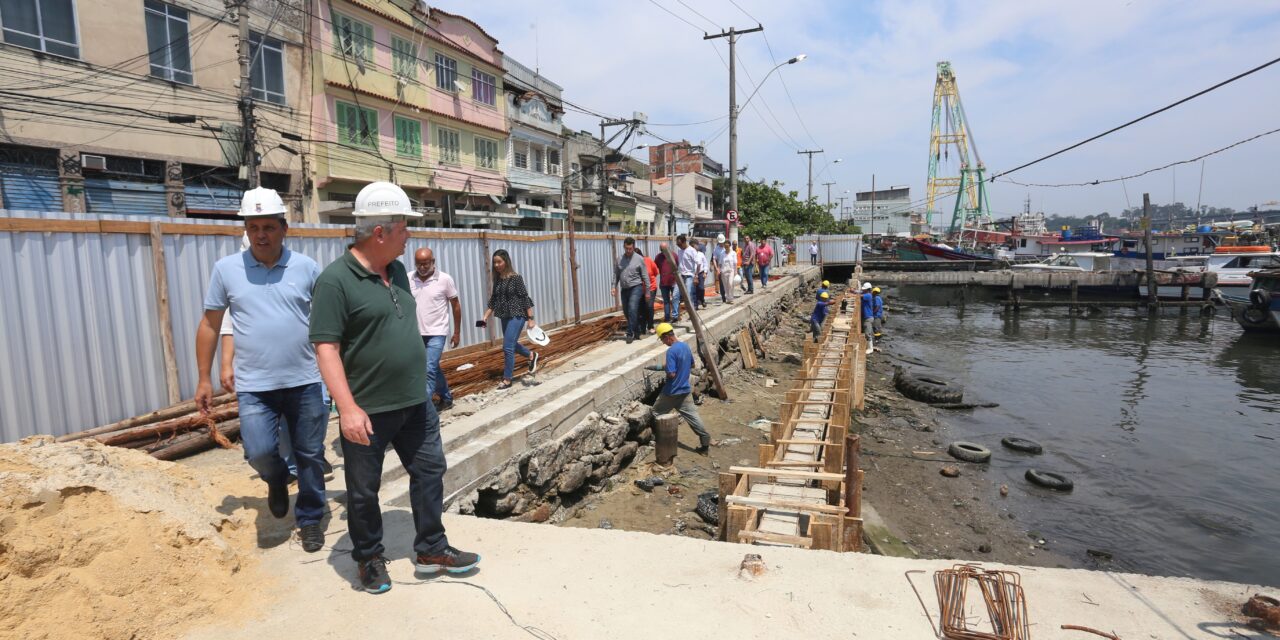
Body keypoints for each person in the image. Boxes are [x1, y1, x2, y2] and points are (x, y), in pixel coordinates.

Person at [310, 181, 479, 594]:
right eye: (404, 228)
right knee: (364, 491)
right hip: (367, 409)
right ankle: (368, 557)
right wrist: (346, 408)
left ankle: (431, 548)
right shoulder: (335, 282)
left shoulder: (398, 270)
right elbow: (326, 348)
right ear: (380, 232)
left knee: (430, 472)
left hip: (414, 402)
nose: (409, 237)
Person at [194, 187, 327, 553]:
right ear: (247, 231)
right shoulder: (226, 270)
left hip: (304, 379)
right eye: (254, 227)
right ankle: (277, 479)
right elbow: (210, 324)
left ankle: (311, 517)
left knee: (311, 453)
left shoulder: (306, 267)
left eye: (269, 226)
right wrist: (205, 377)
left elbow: (330, 319)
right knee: (258, 451)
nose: (261, 234)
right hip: (256, 385)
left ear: (285, 228)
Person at [645, 323, 710, 455]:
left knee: (655, 413)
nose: (663, 343)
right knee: (693, 417)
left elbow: (671, 373)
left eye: (662, 340)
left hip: (671, 392)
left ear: (667, 337)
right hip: (685, 390)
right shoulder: (685, 346)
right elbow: (691, 364)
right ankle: (705, 443)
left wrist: (669, 368)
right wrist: (659, 367)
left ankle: (656, 438)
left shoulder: (671, 351)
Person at [410, 247, 461, 412]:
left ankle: (423, 410)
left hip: (437, 332)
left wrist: (457, 332)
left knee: (428, 368)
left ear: (433, 262)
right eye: (419, 264)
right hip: (416, 333)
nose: (422, 267)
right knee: (433, 368)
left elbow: (456, 306)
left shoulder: (445, 279)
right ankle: (446, 397)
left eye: (426, 263)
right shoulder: (408, 278)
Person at [479, 249, 540, 387]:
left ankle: (507, 379)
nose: (496, 265)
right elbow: (494, 300)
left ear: (506, 261)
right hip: (504, 316)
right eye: (494, 262)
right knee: (511, 344)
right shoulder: (498, 280)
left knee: (507, 347)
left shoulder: (516, 278)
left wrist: (530, 318)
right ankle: (531, 355)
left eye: (499, 262)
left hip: (517, 315)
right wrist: (484, 317)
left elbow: (525, 298)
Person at [612, 237, 650, 344]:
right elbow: (616, 274)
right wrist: (613, 286)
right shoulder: (619, 259)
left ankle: (630, 333)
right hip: (624, 289)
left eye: (630, 249)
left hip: (636, 287)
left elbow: (645, 276)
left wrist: (647, 292)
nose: (628, 251)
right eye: (626, 249)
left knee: (632, 309)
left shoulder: (639, 259)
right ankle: (637, 330)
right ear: (624, 247)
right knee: (626, 311)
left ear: (633, 247)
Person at [654, 242, 679, 323]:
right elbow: (655, 267)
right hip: (664, 282)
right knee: (666, 301)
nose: (663, 251)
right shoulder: (658, 257)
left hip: (674, 281)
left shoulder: (674, 255)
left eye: (664, 249)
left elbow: (678, 266)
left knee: (675, 297)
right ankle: (667, 317)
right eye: (661, 249)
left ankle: (675, 316)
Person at [676, 234, 699, 320]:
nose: (679, 246)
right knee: (675, 295)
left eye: (680, 244)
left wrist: (696, 276)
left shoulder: (692, 251)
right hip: (681, 275)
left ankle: (692, 314)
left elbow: (698, 263)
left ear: (684, 242)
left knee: (689, 294)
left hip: (689, 275)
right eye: (677, 245)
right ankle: (675, 316)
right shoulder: (680, 251)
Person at [640, 247, 659, 334]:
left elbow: (656, 272)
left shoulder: (648, 260)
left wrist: (649, 280)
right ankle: (642, 327)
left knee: (649, 306)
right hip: (640, 290)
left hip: (651, 287)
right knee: (642, 308)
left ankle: (650, 326)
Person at [713, 234, 737, 304]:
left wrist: (736, 271)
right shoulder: (719, 251)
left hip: (731, 270)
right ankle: (726, 298)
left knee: (730, 283)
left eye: (727, 246)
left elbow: (735, 263)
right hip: (723, 271)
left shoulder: (732, 253)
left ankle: (731, 298)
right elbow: (717, 261)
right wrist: (718, 269)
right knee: (725, 285)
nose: (725, 247)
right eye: (725, 246)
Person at [692, 239, 709, 310]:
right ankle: (695, 305)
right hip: (692, 274)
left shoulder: (701, 254)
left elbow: (705, 264)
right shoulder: (690, 254)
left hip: (700, 273)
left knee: (701, 288)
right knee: (694, 290)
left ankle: (702, 299)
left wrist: (705, 272)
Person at [860, 282, 875, 355]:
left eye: (865, 290)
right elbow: (860, 293)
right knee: (866, 331)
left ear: (868, 290)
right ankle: (867, 346)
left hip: (868, 317)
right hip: (865, 316)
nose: (863, 290)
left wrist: (853, 293)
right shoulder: (866, 294)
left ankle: (870, 348)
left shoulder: (868, 295)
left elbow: (861, 296)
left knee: (867, 333)